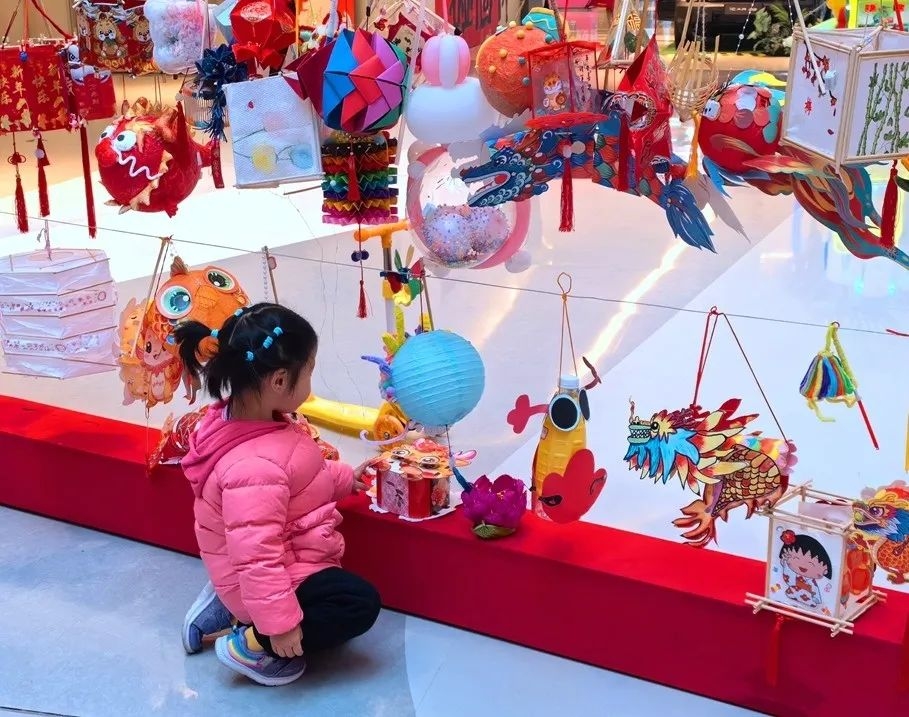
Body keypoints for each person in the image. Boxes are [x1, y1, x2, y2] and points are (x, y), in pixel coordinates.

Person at [175, 303, 380, 686]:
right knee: (357, 603)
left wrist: (343, 479)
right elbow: (258, 556)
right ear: (280, 381)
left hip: (263, 564)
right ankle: (251, 644)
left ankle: (230, 605)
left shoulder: (243, 420)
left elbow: (299, 478)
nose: (310, 385)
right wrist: (278, 628)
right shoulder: (253, 468)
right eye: (309, 373)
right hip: (273, 571)